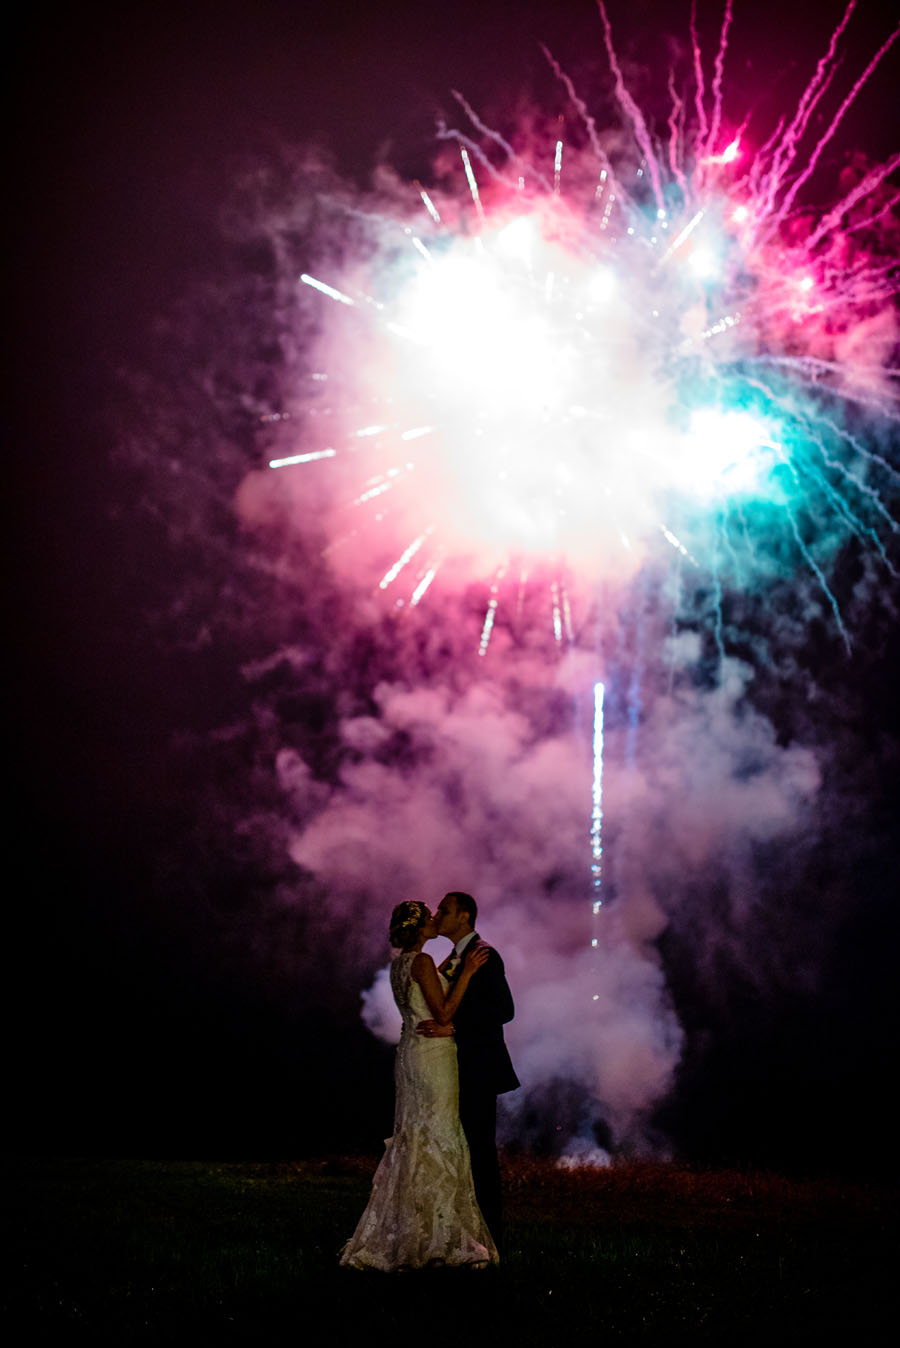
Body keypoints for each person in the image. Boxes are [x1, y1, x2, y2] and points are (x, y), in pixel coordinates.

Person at [340, 901, 498, 1271]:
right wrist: (469, 973)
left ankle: (417, 1231)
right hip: (433, 1054)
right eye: (429, 917)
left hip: (411, 1052)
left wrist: (453, 968)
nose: (435, 920)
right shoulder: (422, 963)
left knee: (416, 1133)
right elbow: (442, 1013)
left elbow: (432, 985)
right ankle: (439, 1237)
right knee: (440, 1133)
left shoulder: (403, 964)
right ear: (418, 927)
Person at [419, 891, 519, 1253]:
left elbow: (504, 1010)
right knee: (462, 1150)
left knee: (479, 1152)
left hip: (479, 1067)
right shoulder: (453, 958)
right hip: (457, 1067)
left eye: (444, 910)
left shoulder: (484, 955)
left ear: (464, 916)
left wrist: (455, 1027)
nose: (438, 914)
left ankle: (491, 1236)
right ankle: (465, 1230)